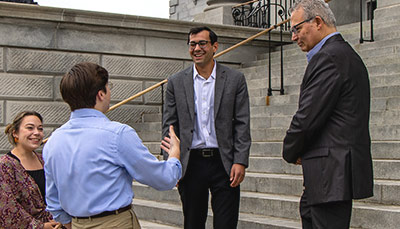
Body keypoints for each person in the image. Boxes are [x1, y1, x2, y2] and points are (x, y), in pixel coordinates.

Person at [43, 62, 182, 229]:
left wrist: (70, 222)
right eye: (109, 87)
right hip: (115, 222)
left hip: (76, 223)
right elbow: (163, 179)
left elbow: (53, 198)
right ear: (101, 94)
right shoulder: (117, 134)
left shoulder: (53, 141)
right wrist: (174, 155)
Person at [282, 0, 374, 228]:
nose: (293, 37)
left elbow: (307, 118)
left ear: (318, 22)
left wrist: (290, 151)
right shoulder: (342, 54)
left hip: (330, 175)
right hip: (328, 176)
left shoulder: (329, 58)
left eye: (297, 29)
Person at [162, 26, 251, 228]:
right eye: (192, 44)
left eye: (202, 43)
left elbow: (242, 123)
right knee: (193, 223)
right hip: (191, 163)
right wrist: (171, 164)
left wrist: (240, 160)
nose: (197, 48)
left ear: (215, 47)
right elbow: (169, 127)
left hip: (224, 163)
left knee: (226, 224)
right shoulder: (176, 82)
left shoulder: (235, 80)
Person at [0, 111, 59, 229]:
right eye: (30, 128)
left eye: (40, 129)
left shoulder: (44, 160)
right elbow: (7, 208)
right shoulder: (5, 165)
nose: (37, 133)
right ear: (15, 133)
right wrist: (41, 226)